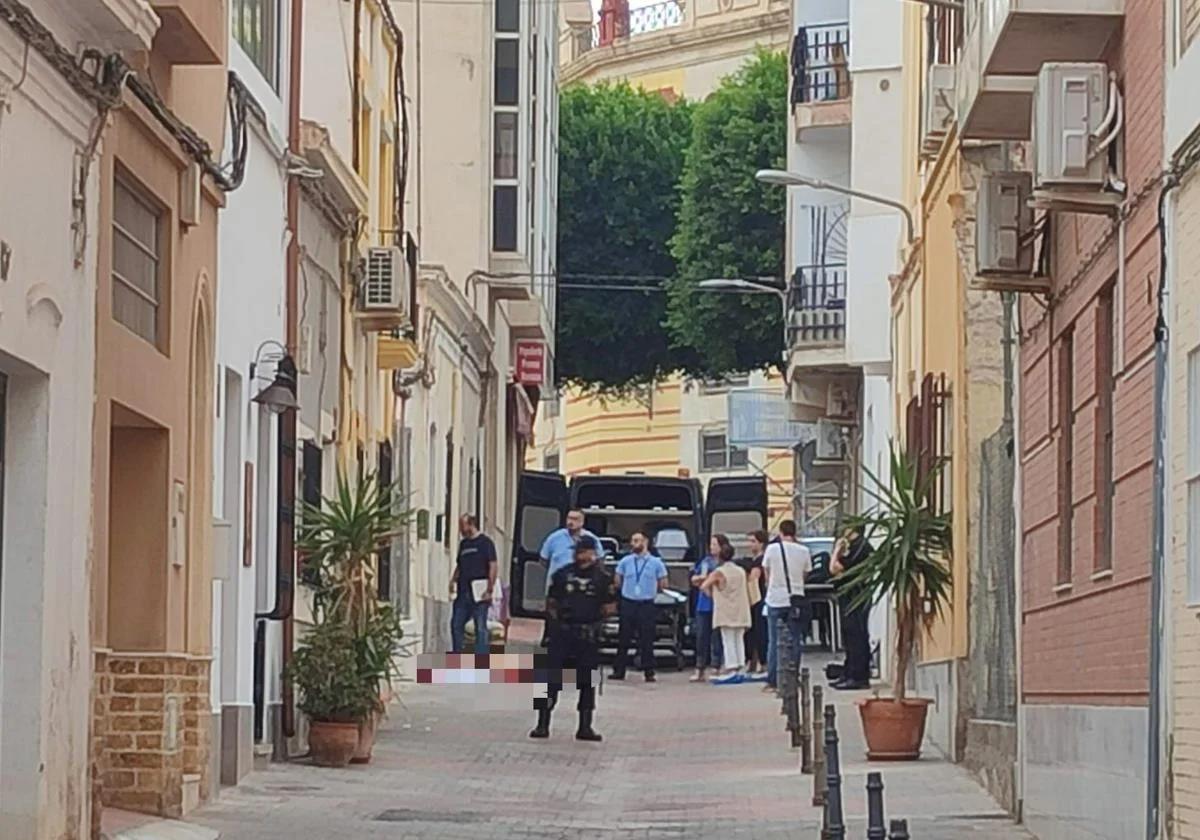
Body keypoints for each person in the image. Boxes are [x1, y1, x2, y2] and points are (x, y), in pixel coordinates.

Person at [531, 541, 616, 741]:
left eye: (585, 552)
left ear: (593, 553)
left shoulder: (603, 578)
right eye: (578, 552)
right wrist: (555, 625)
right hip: (562, 634)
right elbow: (550, 603)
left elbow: (610, 606)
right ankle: (542, 724)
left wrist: (596, 623)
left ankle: (585, 726)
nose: (581, 556)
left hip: (587, 636)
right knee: (548, 680)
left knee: (588, 682)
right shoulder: (562, 574)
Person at [538, 509, 602, 646]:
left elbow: (599, 560)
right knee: (554, 616)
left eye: (575, 519)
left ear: (582, 522)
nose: (570, 522)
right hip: (560, 586)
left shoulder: (591, 539)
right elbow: (543, 559)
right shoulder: (554, 538)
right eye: (569, 518)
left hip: (582, 588)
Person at [763, 520, 812, 693]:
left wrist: (773, 585)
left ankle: (773, 680)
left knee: (774, 640)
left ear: (780, 531)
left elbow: (767, 573)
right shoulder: (804, 550)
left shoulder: (772, 549)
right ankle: (793, 677)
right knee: (794, 639)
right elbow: (805, 574)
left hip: (775, 599)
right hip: (796, 599)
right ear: (795, 532)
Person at [611, 532, 668, 682]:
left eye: (637, 540)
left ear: (646, 542)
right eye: (632, 540)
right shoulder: (625, 561)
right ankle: (619, 670)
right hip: (628, 602)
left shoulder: (656, 563)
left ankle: (649, 671)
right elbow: (618, 580)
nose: (634, 543)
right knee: (624, 638)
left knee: (647, 639)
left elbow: (663, 583)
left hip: (646, 604)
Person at [701, 534, 751, 676]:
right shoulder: (741, 571)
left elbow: (704, 586)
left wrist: (713, 596)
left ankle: (731, 666)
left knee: (728, 638)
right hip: (741, 608)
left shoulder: (719, 572)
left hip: (725, 609)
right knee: (739, 638)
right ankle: (741, 665)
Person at [830, 528, 873, 690]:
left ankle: (857, 676)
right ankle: (849, 673)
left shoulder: (859, 547)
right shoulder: (856, 546)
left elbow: (834, 568)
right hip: (852, 596)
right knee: (850, 635)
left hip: (855, 596)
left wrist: (836, 551)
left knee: (856, 635)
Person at [449, 514, 497, 655]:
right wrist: (453, 580)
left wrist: (490, 588)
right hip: (463, 592)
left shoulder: (486, 543)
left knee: (480, 627)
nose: (460, 530)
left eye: (462, 526)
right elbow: (459, 565)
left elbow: (493, 565)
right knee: (456, 625)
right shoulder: (464, 545)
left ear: (470, 524)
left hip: (479, 593)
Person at [689, 549, 721, 681]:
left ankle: (716, 666)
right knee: (701, 636)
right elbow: (695, 579)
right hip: (703, 604)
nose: (712, 547)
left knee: (716, 637)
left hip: (718, 604)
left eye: (715, 544)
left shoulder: (723, 565)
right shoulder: (705, 562)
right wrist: (702, 578)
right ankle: (700, 667)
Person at [742, 530, 769, 674]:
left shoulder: (760, 561)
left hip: (758, 598)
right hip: (756, 599)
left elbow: (753, 579)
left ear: (761, 543)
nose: (750, 544)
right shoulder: (754, 560)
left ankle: (762, 661)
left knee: (759, 631)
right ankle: (754, 660)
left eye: (753, 541)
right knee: (752, 631)